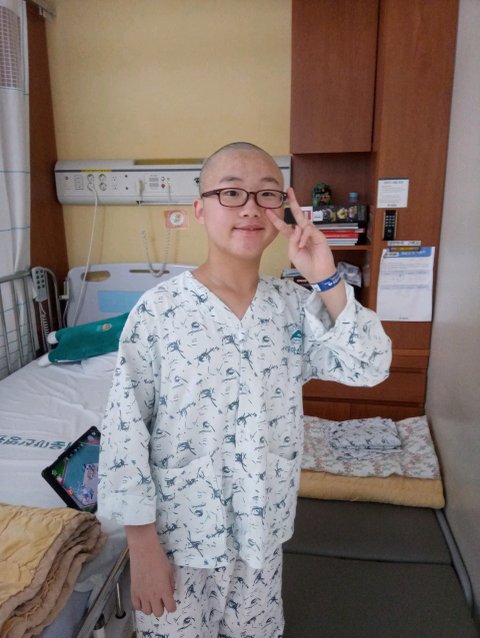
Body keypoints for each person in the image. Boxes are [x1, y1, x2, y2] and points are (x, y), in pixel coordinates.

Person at [98, 142, 392, 637]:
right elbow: (125, 431)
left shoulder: (295, 307)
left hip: (262, 536)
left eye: (267, 194)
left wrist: (325, 276)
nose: (251, 208)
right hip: (178, 539)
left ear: (284, 208)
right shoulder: (159, 312)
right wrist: (142, 548)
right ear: (200, 209)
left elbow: (371, 366)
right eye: (231, 192)